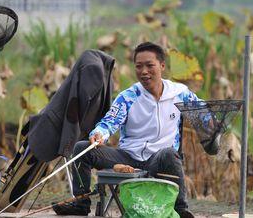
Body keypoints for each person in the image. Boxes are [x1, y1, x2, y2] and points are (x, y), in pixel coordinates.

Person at [53, 42, 200, 218]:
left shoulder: (181, 93)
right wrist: (98, 134)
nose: (144, 71)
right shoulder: (128, 97)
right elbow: (109, 123)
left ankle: (181, 209)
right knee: (81, 149)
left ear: (162, 66)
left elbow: (204, 115)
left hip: (158, 159)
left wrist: (214, 125)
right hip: (127, 157)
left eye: (149, 65)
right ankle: (81, 203)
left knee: (169, 153)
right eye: (139, 67)